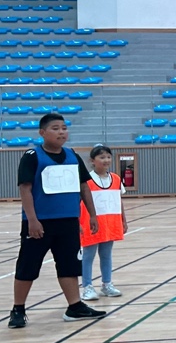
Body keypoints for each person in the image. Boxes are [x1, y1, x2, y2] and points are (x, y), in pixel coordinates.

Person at [7, 113, 105, 328]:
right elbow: (25, 188)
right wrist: (32, 220)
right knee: (28, 266)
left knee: (69, 265)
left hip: (68, 222)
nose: (61, 132)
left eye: (64, 128)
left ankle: (75, 306)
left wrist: (92, 214)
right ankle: (18, 309)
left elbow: (84, 187)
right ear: (42, 133)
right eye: (55, 128)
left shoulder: (72, 155)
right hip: (40, 223)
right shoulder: (32, 156)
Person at [79, 144, 128, 302]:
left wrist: (123, 220)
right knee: (88, 256)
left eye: (108, 157)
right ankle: (87, 287)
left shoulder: (116, 178)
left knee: (106, 255)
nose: (106, 160)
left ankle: (107, 284)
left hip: (110, 223)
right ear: (92, 161)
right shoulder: (86, 180)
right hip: (91, 224)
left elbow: (118, 200)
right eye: (101, 157)